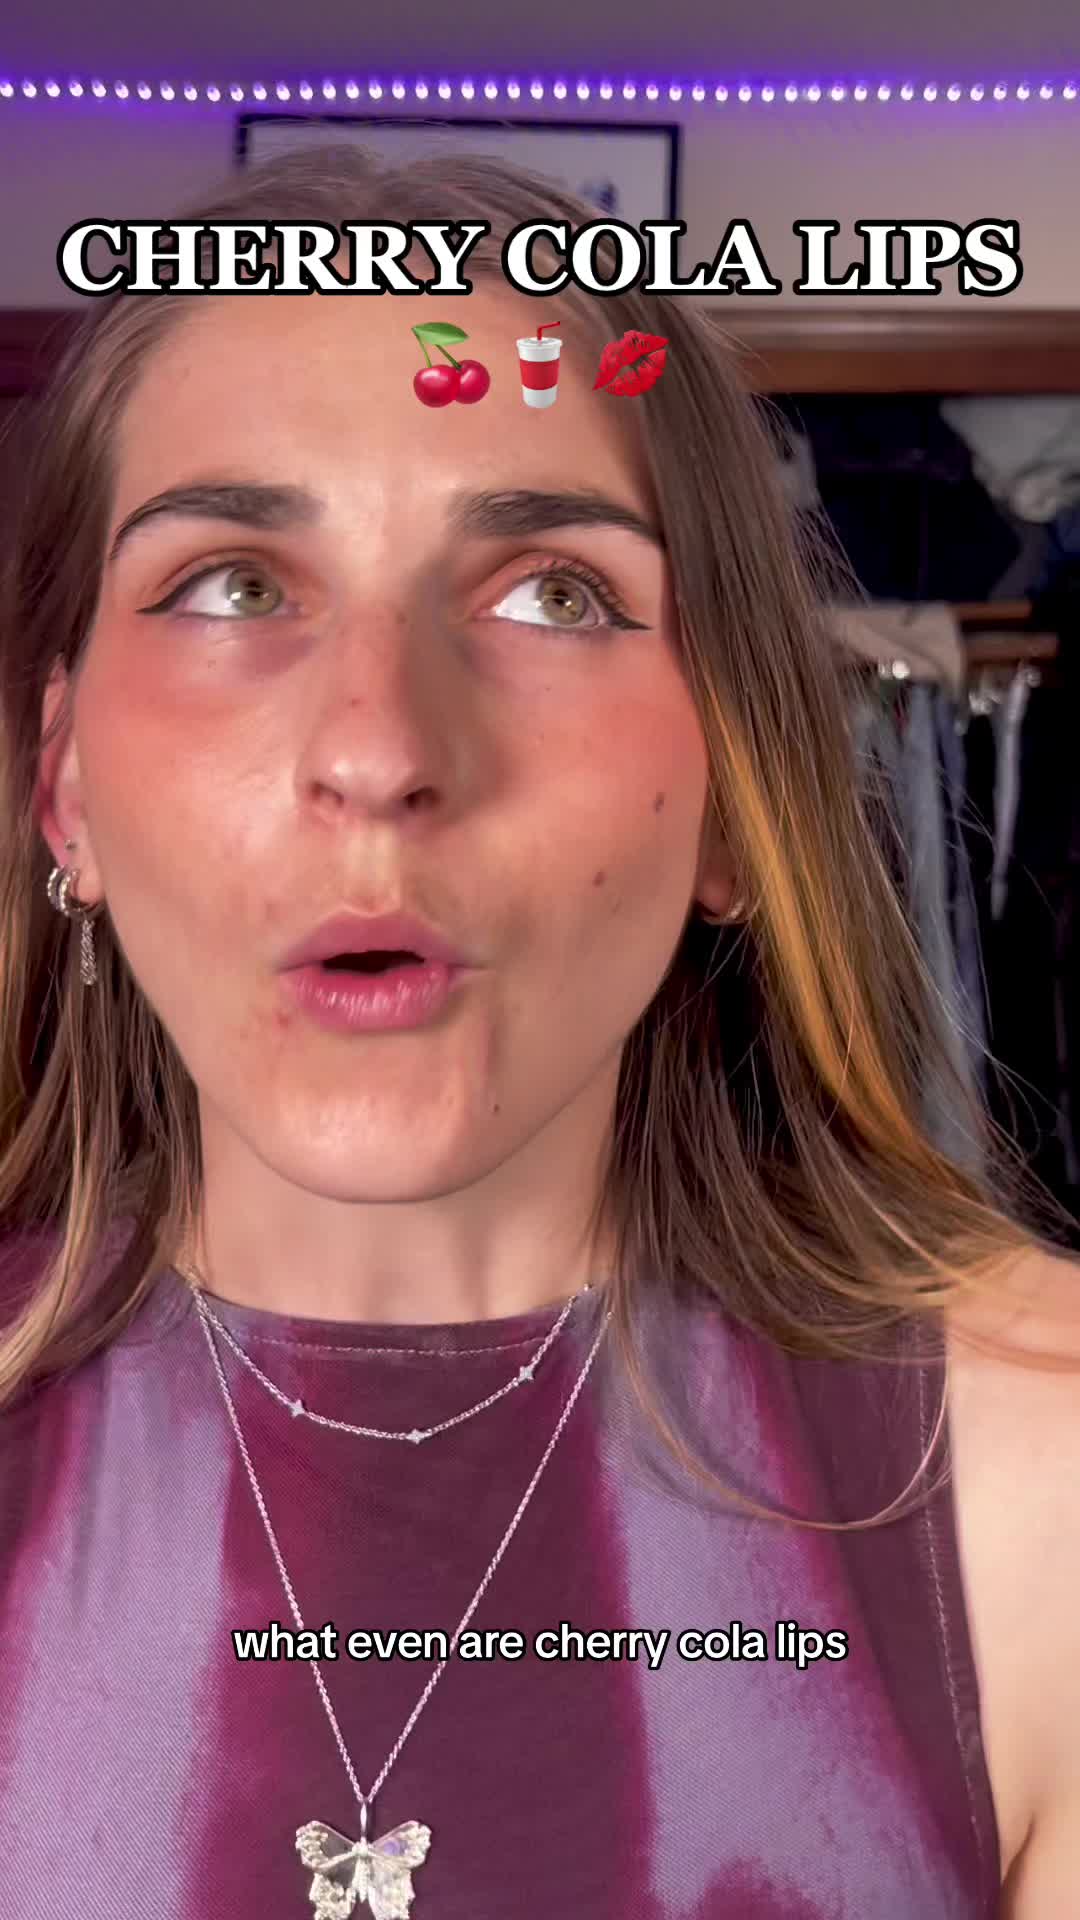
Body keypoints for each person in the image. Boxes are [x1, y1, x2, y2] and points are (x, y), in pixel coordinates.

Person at [0, 147, 1077, 1920]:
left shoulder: (1050, 1485)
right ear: (67, 791)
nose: (380, 750)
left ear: (731, 792)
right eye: (235, 585)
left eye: (554, 593)